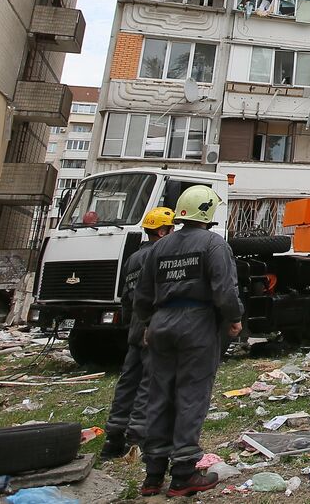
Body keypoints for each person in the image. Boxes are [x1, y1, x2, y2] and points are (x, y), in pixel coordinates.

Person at [133, 185, 243, 497]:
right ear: (207, 212)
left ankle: (153, 474)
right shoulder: (213, 244)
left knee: (159, 394)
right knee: (191, 395)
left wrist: (146, 323)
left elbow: (142, 294)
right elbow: (225, 290)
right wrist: (234, 318)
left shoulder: (159, 247)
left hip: (161, 324)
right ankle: (182, 474)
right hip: (196, 324)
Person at [99, 207, 174, 461]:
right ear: (163, 231)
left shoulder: (133, 258)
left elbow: (127, 298)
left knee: (128, 382)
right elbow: (159, 294)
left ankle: (114, 437)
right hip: (152, 329)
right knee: (149, 383)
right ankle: (138, 438)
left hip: (135, 328)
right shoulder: (160, 255)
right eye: (172, 229)